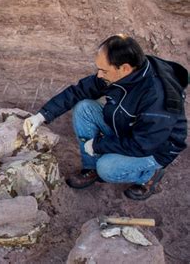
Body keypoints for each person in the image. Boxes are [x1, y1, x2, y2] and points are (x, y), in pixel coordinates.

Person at [23, 34, 188, 200]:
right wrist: (41, 116)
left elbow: (143, 144)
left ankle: (149, 174)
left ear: (124, 68)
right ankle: (91, 168)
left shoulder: (156, 96)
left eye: (103, 70)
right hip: (128, 127)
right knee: (84, 108)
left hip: (155, 148)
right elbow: (79, 91)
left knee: (107, 168)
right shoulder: (120, 73)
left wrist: (98, 145)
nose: (99, 75)